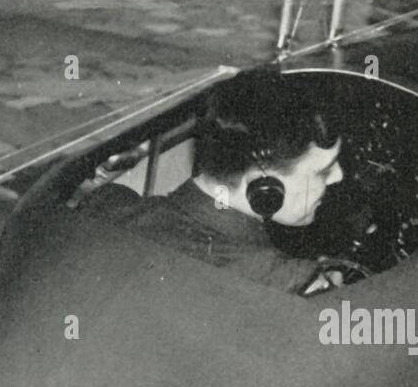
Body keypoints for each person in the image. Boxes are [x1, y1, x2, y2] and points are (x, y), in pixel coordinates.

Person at [81, 68, 343, 294]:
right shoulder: (286, 285)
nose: (338, 176)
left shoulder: (107, 204)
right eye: (322, 171)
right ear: (265, 187)